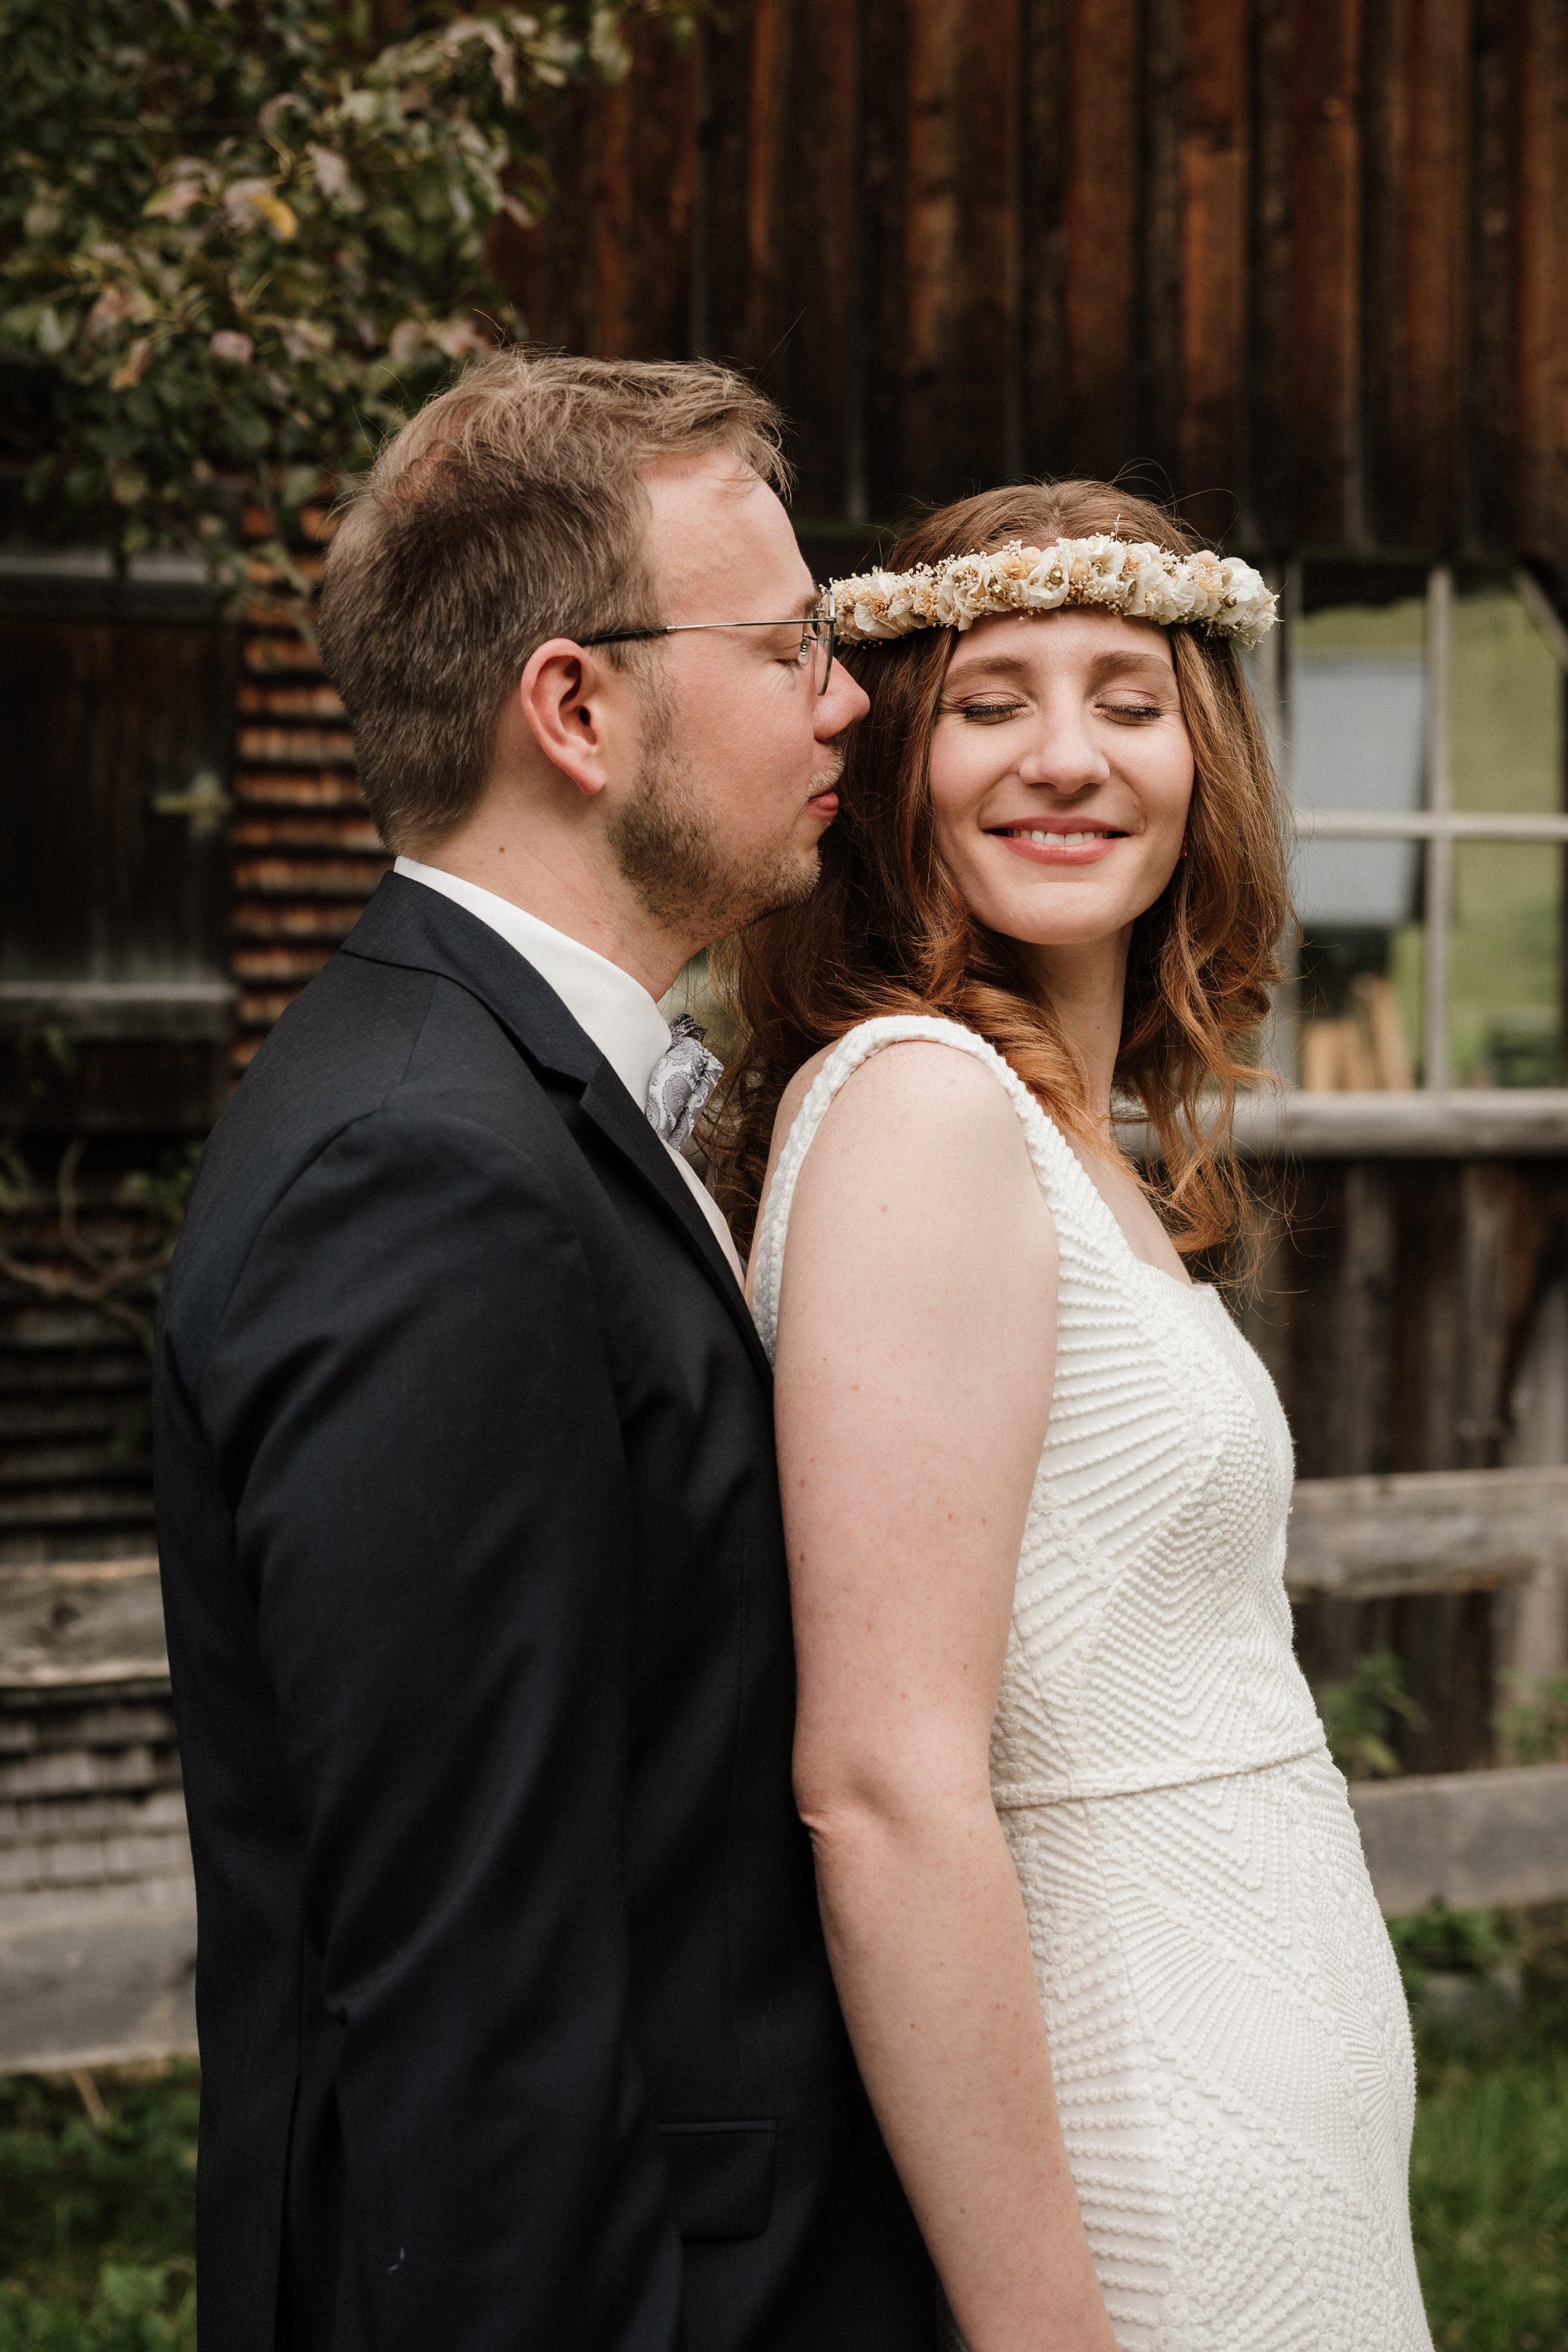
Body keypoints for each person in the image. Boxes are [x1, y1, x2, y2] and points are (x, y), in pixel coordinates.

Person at [152, 353, 936, 2352]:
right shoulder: (424, 1172)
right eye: (786, 644)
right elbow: (468, 1980)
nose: (845, 696)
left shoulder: (503, 1097)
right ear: (576, 708)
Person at [713, 482, 1433, 2352]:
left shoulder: (1059, 1134)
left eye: (1127, 698)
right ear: (894, 768)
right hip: (1135, 2142)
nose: (1064, 759)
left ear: (1204, 759)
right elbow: (879, 1791)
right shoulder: (922, 1109)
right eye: (987, 702)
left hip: (1271, 2117)